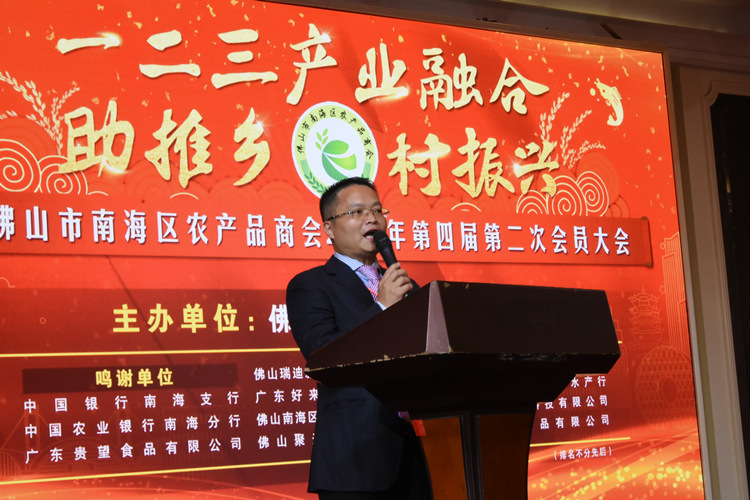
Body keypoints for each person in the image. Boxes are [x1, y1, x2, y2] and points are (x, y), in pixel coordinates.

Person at [286, 177, 432, 499]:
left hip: (421, 455)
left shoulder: (408, 288)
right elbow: (323, 356)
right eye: (357, 211)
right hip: (355, 460)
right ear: (328, 228)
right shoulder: (310, 286)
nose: (372, 218)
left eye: (378, 210)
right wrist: (381, 307)